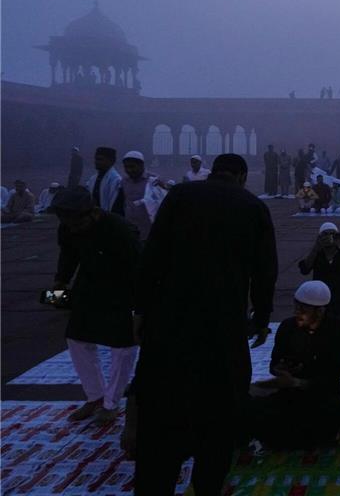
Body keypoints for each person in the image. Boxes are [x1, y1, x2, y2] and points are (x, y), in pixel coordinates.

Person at [134, 154, 278, 496]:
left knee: (160, 420)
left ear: (213, 171)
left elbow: (151, 255)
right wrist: (260, 318)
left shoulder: (180, 196)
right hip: (222, 326)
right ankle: (207, 485)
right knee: (218, 417)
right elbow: (264, 272)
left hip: (170, 323)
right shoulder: (251, 205)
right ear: (242, 175)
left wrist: (141, 310)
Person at [50, 186, 141, 425]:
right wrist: (59, 284)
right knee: (76, 338)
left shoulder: (119, 230)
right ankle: (95, 397)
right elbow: (68, 256)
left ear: (92, 213)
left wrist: (139, 310)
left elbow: (139, 271)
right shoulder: (68, 227)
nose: (72, 228)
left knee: (122, 348)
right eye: (66, 222)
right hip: (88, 287)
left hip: (122, 291)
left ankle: (111, 403)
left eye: (76, 223)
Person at [246, 281, 340, 450]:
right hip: (289, 397)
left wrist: (298, 382)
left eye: (303, 309)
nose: (297, 313)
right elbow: (275, 362)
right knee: (254, 414)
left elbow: (332, 378)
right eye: (296, 307)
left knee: (327, 419)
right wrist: (281, 369)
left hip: (323, 397)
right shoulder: (288, 327)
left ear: (320, 311)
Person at [298, 222, 340, 320]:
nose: (329, 237)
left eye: (332, 234)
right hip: (319, 300)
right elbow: (305, 269)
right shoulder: (317, 255)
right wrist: (316, 247)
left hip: (339, 300)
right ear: (320, 237)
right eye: (325, 234)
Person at [119, 151, 159, 241]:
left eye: (132, 166)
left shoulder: (153, 181)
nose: (129, 170)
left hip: (149, 230)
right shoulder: (124, 182)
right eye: (126, 167)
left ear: (141, 165)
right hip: (129, 229)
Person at [86, 146, 123, 214]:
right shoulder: (92, 179)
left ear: (111, 161)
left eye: (100, 159)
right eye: (96, 159)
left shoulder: (116, 180)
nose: (96, 162)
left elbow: (114, 206)